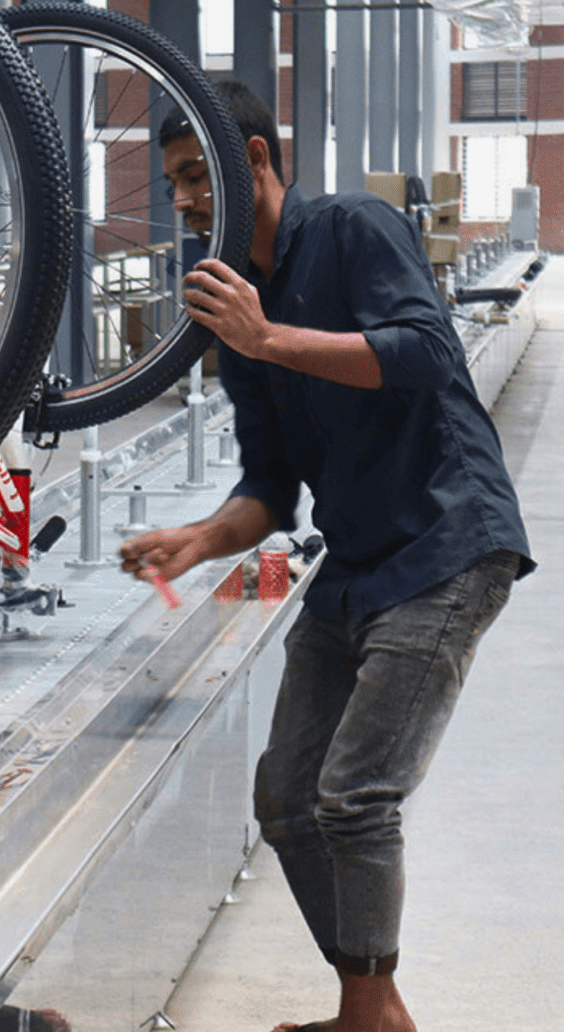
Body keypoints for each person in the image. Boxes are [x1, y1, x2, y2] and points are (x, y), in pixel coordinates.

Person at [119, 80, 531, 1032]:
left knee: (355, 796)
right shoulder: (236, 314)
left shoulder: (354, 227)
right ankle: (374, 1011)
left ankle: (366, 1016)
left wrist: (271, 336)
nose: (181, 200)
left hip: (445, 542)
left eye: (195, 177)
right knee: (288, 798)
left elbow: (428, 349)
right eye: (173, 182)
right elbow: (271, 484)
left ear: (255, 160)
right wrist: (198, 540)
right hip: (353, 566)